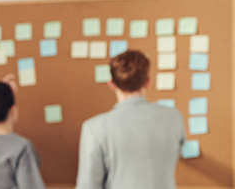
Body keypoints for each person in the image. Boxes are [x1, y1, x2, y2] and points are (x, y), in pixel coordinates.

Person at [76, 50, 185, 189]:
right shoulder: (174, 117)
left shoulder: (94, 128)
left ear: (112, 84)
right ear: (147, 82)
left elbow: (88, 186)